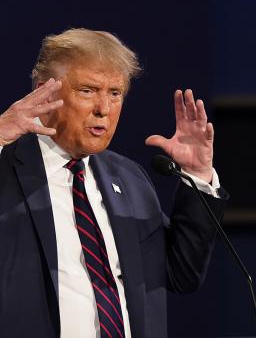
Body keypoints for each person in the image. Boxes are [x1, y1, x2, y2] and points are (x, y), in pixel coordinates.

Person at [0, 28, 227, 337]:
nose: (103, 109)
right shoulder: (7, 166)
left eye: (115, 93)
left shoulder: (129, 178)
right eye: (87, 90)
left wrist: (198, 176)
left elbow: (181, 274)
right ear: (46, 94)